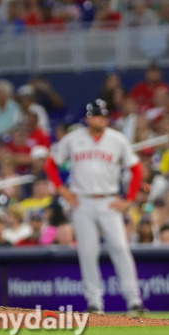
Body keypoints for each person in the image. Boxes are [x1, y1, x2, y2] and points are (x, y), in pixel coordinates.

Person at [45, 99, 145, 314]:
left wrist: (129, 200)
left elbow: (137, 170)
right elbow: (51, 164)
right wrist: (62, 190)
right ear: (88, 117)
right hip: (82, 201)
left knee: (120, 248)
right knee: (88, 252)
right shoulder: (73, 139)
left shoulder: (117, 140)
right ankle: (95, 302)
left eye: (104, 115)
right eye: (97, 115)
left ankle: (134, 300)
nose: (101, 118)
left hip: (109, 200)